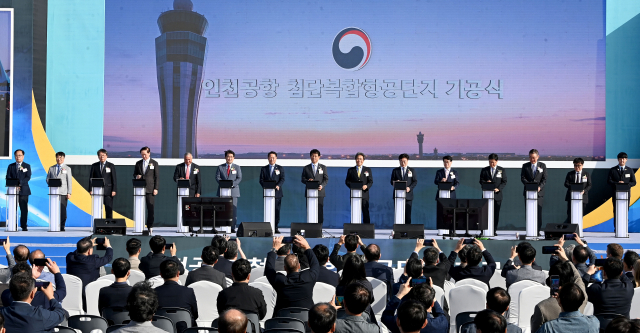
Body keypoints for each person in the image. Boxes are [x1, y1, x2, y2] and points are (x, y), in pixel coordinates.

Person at [531, 246, 588, 333]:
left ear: (551, 280)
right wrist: (566, 259)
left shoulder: (542, 307)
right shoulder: (581, 296)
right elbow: (577, 277)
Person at [265, 235, 319, 314]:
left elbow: (268, 269)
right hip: (306, 322)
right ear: (299, 266)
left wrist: (274, 249)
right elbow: (315, 264)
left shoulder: (279, 281)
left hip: (281, 323)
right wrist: (307, 247)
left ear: (285, 268)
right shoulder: (308, 278)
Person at [0, 273, 68, 332]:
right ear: (32, 294)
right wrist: (50, 296)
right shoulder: (40, 315)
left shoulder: (2, 313)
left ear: (11, 292)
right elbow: (60, 314)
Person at [382, 277, 448, 333]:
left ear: (398, 322)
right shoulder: (439, 326)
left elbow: (386, 315)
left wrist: (400, 294)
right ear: (424, 323)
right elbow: (441, 315)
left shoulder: (396, 323)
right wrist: (430, 295)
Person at [66, 236, 113, 310]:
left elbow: (76, 252)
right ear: (89, 251)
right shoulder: (93, 260)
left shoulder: (69, 257)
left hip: (73, 294)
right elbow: (108, 257)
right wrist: (108, 246)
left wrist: (85, 246)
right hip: (89, 295)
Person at [586, 257, 634, 322]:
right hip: (623, 327)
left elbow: (580, 291)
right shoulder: (629, 287)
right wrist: (617, 265)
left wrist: (588, 273)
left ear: (604, 273)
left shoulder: (596, 289)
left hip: (601, 328)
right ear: (621, 273)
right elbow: (624, 277)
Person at [2, 261, 66, 308]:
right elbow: (62, 291)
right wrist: (57, 273)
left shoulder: (5, 295)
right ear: (32, 294)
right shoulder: (44, 297)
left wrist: (33, 278)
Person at [154, 260, 198, 329]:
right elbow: (195, 315)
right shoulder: (188, 291)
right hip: (184, 330)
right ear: (178, 274)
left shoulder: (154, 292)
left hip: (162, 329)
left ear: (161, 275)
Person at [608, 152, 637, 233]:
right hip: (616, 194)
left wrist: (626, 184)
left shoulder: (630, 170)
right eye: (620, 159)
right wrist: (617, 183)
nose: (622, 160)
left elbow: (634, 182)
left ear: (626, 160)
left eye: (624, 159)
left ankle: (624, 228)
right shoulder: (613, 170)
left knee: (624, 211)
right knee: (616, 211)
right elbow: (609, 181)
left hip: (626, 195)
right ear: (618, 160)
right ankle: (616, 229)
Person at [479, 153, 507, 235]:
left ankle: (494, 230)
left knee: (495, 214)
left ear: (497, 161)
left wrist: (498, 189)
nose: (492, 164)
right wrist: (486, 183)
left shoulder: (501, 170)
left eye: (493, 162)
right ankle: (483, 230)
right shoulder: (484, 170)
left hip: (497, 196)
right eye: (490, 162)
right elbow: (481, 181)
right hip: (486, 195)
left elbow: (504, 181)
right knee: (484, 214)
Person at [133, 146, 159, 234]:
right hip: (139, 189)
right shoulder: (138, 163)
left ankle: (150, 226)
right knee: (140, 208)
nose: (144, 156)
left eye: (145, 154)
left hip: (150, 189)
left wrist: (156, 188)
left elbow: (157, 177)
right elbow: (134, 174)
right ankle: (139, 226)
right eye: (142, 155)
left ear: (149, 153)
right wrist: (137, 176)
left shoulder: (154, 163)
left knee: (150, 208)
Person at [521, 149, 547, 233]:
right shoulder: (525, 166)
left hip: (539, 194)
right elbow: (522, 178)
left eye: (534, 158)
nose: (533, 159)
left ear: (538, 157)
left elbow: (544, 179)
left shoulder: (542, 166)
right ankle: (529, 230)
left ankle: (537, 230)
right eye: (531, 158)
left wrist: (540, 187)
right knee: (529, 212)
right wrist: (529, 185)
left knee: (538, 212)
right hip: (528, 193)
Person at [45, 152, 72, 231]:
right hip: (53, 192)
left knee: (62, 210)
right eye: (57, 157)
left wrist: (69, 192)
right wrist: (51, 183)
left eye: (61, 157)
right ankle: (54, 225)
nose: (59, 159)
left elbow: (69, 181)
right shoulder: (51, 168)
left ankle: (62, 226)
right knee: (54, 209)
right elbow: (47, 179)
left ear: (63, 158)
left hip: (63, 192)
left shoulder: (67, 168)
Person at [216, 150, 242, 232]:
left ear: (233, 158)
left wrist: (232, 184)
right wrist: (224, 184)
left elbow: (239, 178)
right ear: (225, 157)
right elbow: (217, 178)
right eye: (228, 156)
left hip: (233, 191)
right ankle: (223, 226)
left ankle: (232, 227)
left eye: (231, 157)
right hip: (222, 191)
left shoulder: (237, 167)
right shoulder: (220, 167)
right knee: (222, 209)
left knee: (233, 210)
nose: (229, 158)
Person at [260, 151, 285, 233]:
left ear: (276, 158)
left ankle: (276, 227)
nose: (272, 159)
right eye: (270, 157)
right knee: (268, 210)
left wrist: (278, 185)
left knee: (276, 211)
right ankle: (267, 227)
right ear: (268, 158)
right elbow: (261, 180)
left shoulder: (280, 168)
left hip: (277, 193)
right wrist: (265, 186)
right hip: (267, 193)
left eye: (273, 157)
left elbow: (282, 179)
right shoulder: (264, 169)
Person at [6, 149, 31, 231]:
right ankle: (13, 225)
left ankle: (24, 226)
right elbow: (8, 177)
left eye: (20, 155)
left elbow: (27, 177)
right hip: (13, 191)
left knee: (23, 209)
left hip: (23, 190)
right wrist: (14, 185)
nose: (18, 157)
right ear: (14, 157)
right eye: (16, 155)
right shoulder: (11, 166)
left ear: (23, 156)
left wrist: (19, 184)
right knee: (13, 209)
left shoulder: (27, 166)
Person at [301, 149, 329, 223]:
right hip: (309, 192)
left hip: (320, 193)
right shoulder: (306, 168)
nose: (314, 158)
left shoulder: (323, 167)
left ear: (319, 157)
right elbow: (302, 179)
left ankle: (319, 228)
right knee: (310, 210)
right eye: (312, 156)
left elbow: (326, 179)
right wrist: (307, 181)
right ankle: (310, 227)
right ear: (310, 157)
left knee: (319, 210)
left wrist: (322, 186)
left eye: (316, 156)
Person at [345, 152, 373, 224]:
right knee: (355, 211)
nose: (359, 160)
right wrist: (352, 186)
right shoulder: (351, 170)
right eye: (357, 159)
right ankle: (353, 228)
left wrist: (366, 186)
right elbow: (347, 181)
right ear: (355, 160)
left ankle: (366, 228)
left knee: (365, 212)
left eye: (360, 159)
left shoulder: (368, 170)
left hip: (364, 195)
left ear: (363, 160)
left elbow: (370, 181)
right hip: (354, 195)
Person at [88, 148, 117, 219]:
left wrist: (114, 190)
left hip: (108, 191)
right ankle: (98, 226)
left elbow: (114, 179)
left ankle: (109, 226)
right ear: (98, 156)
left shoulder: (111, 165)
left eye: (103, 155)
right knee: (97, 209)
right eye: (100, 155)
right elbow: (91, 178)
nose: (102, 157)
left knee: (108, 209)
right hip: (97, 191)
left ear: (106, 156)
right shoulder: (94, 166)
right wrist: (90, 189)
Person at [390, 153, 418, 224]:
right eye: (401, 161)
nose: (403, 163)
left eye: (404, 161)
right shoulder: (395, 170)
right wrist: (395, 182)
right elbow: (391, 181)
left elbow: (415, 181)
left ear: (407, 161)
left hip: (408, 195)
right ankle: (398, 229)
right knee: (398, 213)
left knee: (407, 214)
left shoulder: (412, 170)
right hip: (398, 196)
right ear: (399, 161)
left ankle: (407, 230)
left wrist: (409, 188)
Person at [563, 158, 592, 223]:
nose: (577, 167)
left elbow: (589, 185)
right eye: (575, 165)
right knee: (570, 214)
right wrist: (573, 187)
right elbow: (566, 183)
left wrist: (585, 190)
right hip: (571, 197)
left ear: (582, 165)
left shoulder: (586, 174)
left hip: (582, 197)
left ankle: (578, 229)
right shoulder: (570, 174)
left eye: (579, 165)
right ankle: (570, 229)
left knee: (580, 214)